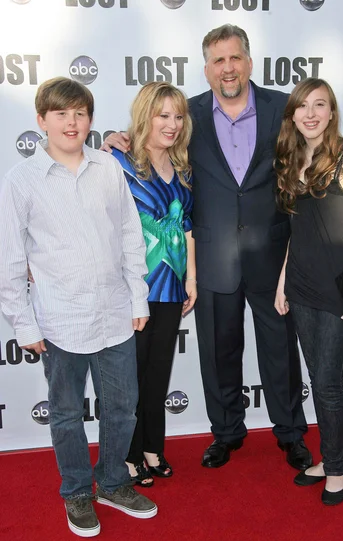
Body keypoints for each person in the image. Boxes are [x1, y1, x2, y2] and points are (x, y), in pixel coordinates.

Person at [103, 24, 312, 472]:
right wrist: (112, 139)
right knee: (218, 353)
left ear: (249, 62)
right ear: (206, 69)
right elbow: (149, 140)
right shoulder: (188, 114)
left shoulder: (282, 107)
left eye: (235, 58)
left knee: (280, 350)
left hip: (271, 254)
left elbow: (314, 144)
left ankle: (291, 433)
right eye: (218, 61)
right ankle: (226, 433)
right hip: (212, 255)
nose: (228, 68)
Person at [0, 77, 157, 537]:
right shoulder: (22, 179)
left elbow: (130, 235)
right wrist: (21, 321)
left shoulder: (108, 168)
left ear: (90, 119)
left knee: (123, 408)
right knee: (66, 414)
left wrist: (137, 296)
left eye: (80, 114)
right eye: (61, 114)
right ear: (41, 120)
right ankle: (76, 492)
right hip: (57, 320)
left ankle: (111, 481)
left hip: (113, 313)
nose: (72, 122)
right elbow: (11, 257)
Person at [274, 77, 343, 505]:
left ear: (332, 112)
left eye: (320, 105)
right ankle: (327, 456)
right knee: (318, 380)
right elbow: (295, 232)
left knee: (329, 383)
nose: (311, 113)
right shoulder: (292, 159)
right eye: (303, 106)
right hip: (300, 287)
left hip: (340, 292)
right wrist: (282, 283)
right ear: (293, 115)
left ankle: (336, 468)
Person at [112, 82, 196, 487]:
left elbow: (188, 228)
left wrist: (191, 279)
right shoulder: (119, 161)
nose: (172, 124)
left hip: (172, 286)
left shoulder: (183, 169)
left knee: (158, 372)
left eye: (178, 116)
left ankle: (151, 447)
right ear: (145, 115)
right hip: (134, 288)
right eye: (163, 115)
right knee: (132, 375)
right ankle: (128, 455)